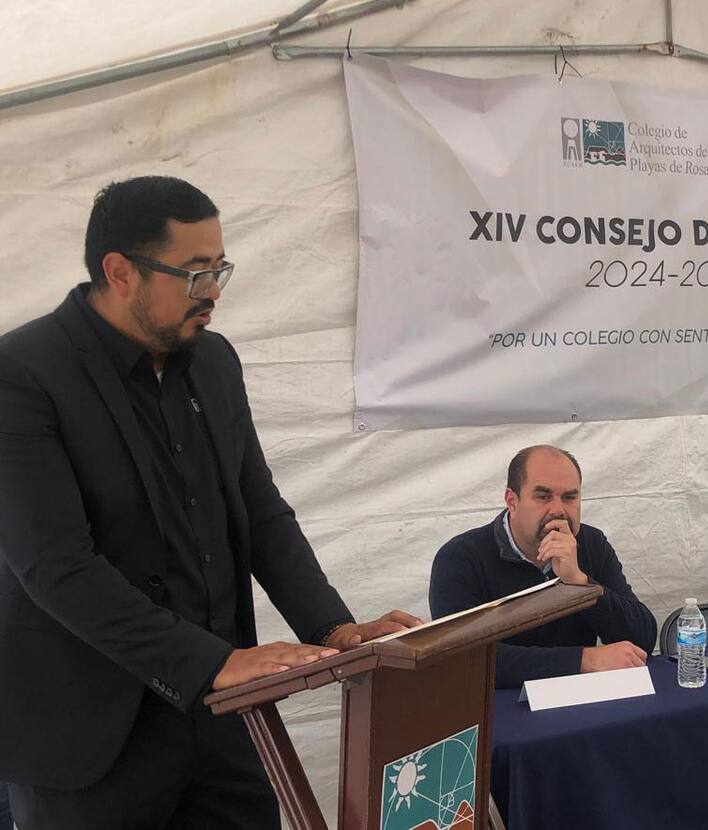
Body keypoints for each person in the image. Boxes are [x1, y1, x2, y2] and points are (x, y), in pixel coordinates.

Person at [0, 176, 421, 829]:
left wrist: (333, 628)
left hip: (225, 721)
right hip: (88, 737)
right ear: (120, 273)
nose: (215, 291)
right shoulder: (24, 373)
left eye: (221, 269)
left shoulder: (214, 361)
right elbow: (55, 565)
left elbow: (261, 512)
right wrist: (211, 663)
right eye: (196, 274)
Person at [429, 445, 656, 689]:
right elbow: (461, 657)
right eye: (543, 496)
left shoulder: (592, 544)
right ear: (512, 501)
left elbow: (641, 640)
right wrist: (582, 660)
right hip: (498, 703)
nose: (558, 510)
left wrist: (580, 583)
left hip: (579, 698)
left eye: (570, 497)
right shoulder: (460, 557)